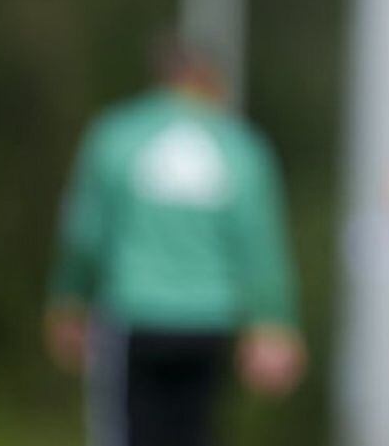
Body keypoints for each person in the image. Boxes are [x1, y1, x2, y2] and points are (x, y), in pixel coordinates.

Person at [44, 30, 305, 446]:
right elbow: (260, 246)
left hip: (135, 314)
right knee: (195, 434)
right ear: (212, 80)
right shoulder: (240, 146)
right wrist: (273, 321)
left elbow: (87, 233)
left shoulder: (116, 136)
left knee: (129, 433)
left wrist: (70, 297)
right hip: (210, 320)